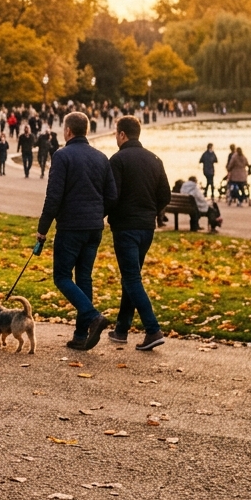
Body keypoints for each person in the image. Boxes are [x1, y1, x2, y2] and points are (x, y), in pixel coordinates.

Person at [37, 112, 116, 351]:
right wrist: (97, 215)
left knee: (61, 276)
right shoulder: (101, 157)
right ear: (87, 130)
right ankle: (81, 334)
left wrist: (42, 230)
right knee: (84, 278)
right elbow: (111, 196)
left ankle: (92, 317)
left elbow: (54, 197)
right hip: (94, 227)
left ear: (68, 131)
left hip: (71, 226)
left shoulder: (62, 156)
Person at [106, 116, 170, 350]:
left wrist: (106, 213)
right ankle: (121, 329)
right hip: (146, 227)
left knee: (132, 278)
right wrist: (151, 211)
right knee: (130, 277)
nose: (115, 137)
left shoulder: (118, 160)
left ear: (122, 135)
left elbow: (112, 196)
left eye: (116, 133)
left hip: (126, 227)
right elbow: (165, 195)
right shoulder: (155, 159)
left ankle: (152, 330)